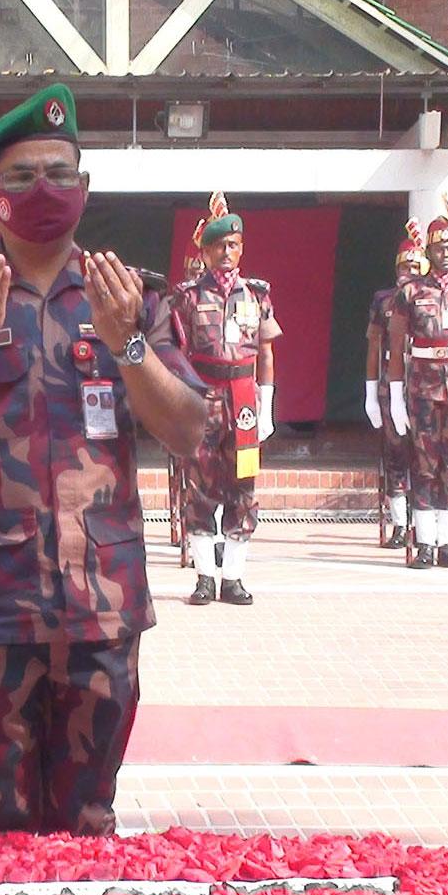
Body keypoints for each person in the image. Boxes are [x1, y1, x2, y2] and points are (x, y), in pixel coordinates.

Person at [0, 83, 208, 842]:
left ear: (85, 189)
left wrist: (127, 340)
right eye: (23, 176)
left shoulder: (133, 298)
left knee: (89, 825)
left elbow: (189, 429)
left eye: (61, 174)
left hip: (101, 602)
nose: (44, 190)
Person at [172, 192, 279, 605]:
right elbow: (174, 354)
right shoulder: (188, 296)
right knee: (199, 484)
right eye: (219, 245)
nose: (226, 252)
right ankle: (203, 576)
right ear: (206, 250)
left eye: (233, 245)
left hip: (244, 399)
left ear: (241, 248)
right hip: (203, 397)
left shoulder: (257, 295)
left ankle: (233, 576)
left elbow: (266, 352)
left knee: (243, 485)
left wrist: (266, 401)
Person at [386, 205, 448, 571]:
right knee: (425, 462)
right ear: (427, 251)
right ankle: (424, 541)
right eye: (439, 248)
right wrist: (395, 394)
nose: (445, 254)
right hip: (423, 387)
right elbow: (396, 346)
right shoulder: (409, 293)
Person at [365, 222, 426, 550]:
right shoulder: (384, 299)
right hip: (392, 383)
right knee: (396, 454)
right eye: (405, 265)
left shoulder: (430, 297)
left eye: (415, 266)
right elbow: (374, 345)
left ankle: (425, 525)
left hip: (426, 381)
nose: (409, 271)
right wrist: (370, 391)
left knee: (425, 455)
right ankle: (400, 524)